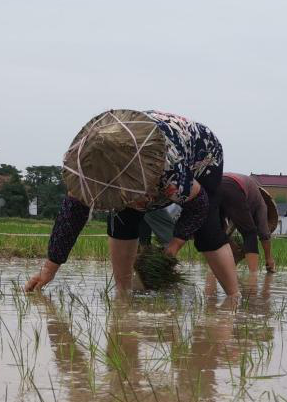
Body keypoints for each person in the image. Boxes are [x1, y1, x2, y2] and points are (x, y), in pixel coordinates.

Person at [24, 109, 239, 297]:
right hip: (135, 151)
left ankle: (234, 298)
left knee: (207, 230)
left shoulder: (169, 169)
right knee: (122, 216)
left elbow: (198, 205)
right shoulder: (90, 166)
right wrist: (49, 270)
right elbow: (70, 218)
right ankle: (123, 295)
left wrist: (172, 249)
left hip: (202, 155)